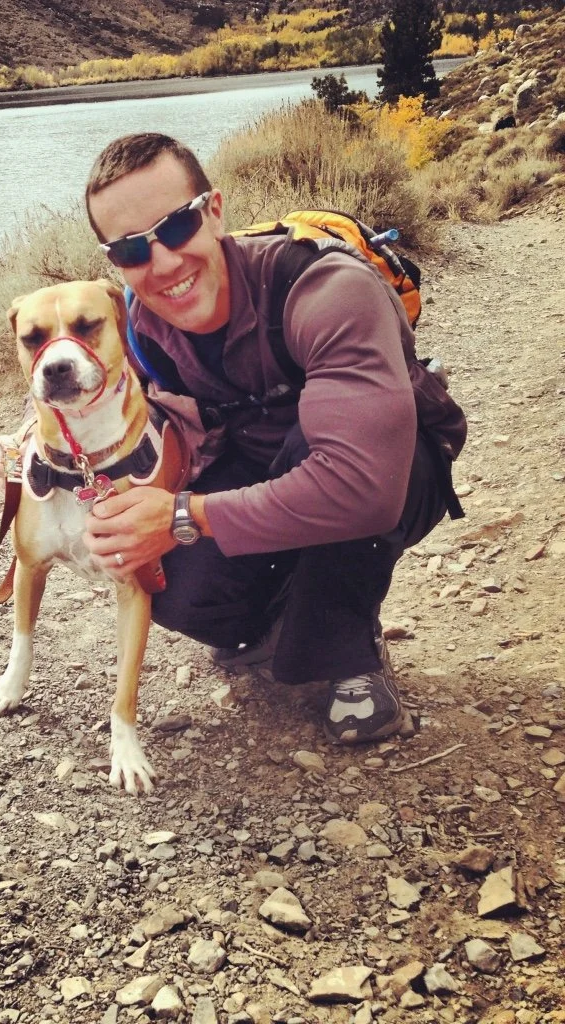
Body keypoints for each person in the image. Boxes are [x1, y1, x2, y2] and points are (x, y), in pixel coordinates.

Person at [72, 132, 466, 744]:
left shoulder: (326, 289)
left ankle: (348, 656)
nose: (163, 263)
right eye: (129, 249)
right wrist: (21, 453)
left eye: (175, 227)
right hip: (261, 464)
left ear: (215, 210)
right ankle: (289, 617)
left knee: (327, 460)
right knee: (175, 589)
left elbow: (362, 488)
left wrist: (182, 513)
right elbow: (73, 366)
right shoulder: (139, 320)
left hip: (392, 470)